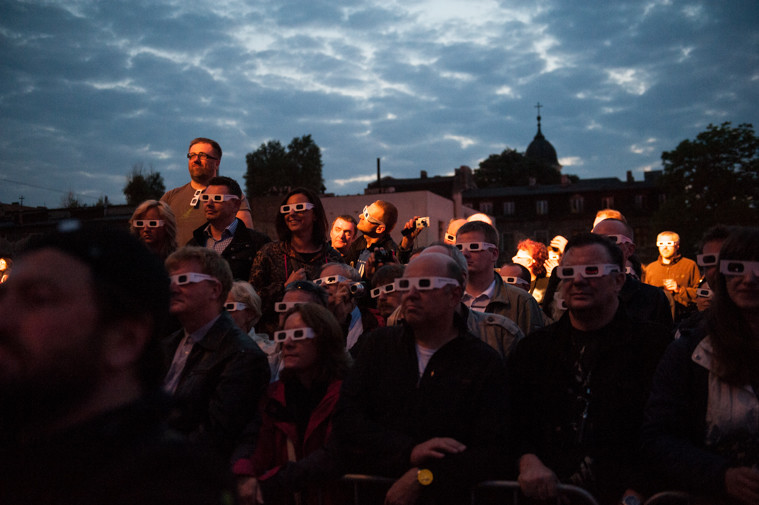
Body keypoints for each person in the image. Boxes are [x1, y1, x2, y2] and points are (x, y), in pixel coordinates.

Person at [0, 224, 232, 504]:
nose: (4, 319)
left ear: (123, 340)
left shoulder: (171, 486)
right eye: (4, 298)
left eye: (38, 299)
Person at [332, 252, 510, 505]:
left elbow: (491, 449)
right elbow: (347, 421)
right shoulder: (377, 347)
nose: (411, 294)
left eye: (424, 285)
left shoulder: (482, 362)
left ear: (455, 295)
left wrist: (425, 476)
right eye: (405, 285)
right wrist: (408, 452)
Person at [511, 233, 671, 505]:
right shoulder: (533, 351)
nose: (579, 280)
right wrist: (527, 460)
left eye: (592, 271)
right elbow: (510, 418)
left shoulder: (655, 347)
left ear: (619, 279)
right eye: (569, 271)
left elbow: (669, 428)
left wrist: (640, 487)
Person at [640, 227, 759, 505]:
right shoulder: (690, 351)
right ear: (721, 273)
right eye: (737, 267)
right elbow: (656, 437)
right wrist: (720, 476)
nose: (749, 279)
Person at [233, 303, 351, 505]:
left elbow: (333, 456)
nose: (287, 344)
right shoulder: (275, 396)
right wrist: (245, 474)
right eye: (283, 336)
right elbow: (257, 444)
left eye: (298, 335)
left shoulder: (347, 393)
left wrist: (272, 483)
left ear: (323, 339)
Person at [164, 246, 271, 461]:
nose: (173, 288)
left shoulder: (242, 355)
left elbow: (216, 436)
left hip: (191, 477)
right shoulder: (165, 346)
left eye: (184, 279)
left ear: (214, 290)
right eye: (170, 281)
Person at [250, 187, 343, 336]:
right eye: (287, 209)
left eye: (299, 208)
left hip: (319, 339)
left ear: (315, 215)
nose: (291, 213)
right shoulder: (269, 253)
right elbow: (252, 303)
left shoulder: (332, 258)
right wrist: (284, 287)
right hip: (275, 341)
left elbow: (342, 306)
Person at [456, 221, 545, 337]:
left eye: (474, 247)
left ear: (494, 254)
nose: (465, 254)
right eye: (459, 248)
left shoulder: (521, 302)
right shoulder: (448, 297)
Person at [161, 137, 254, 245]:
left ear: (217, 163)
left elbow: (246, 240)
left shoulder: (231, 197)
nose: (196, 160)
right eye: (192, 156)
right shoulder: (170, 197)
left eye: (202, 156)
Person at [592, 218, 673, 330]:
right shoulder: (579, 291)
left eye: (612, 240)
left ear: (629, 249)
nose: (602, 247)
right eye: (596, 241)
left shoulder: (652, 298)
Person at [187, 176, 270, 280]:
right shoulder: (193, 245)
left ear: (236, 204)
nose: (209, 204)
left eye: (217, 198)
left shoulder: (258, 244)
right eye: (205, 198)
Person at [316, 262, 382, 351]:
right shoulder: (313, 325)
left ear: (352, 286)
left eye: (331, 280)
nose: (323, 285)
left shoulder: (376, 322)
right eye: (319, 282)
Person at [226, 280, 280, 379]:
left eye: (229, 307)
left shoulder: (270, 354)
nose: (222, 314)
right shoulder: (204, 351)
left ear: (250, 313)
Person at [644, 230, 700, 323]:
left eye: (669, 243)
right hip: (657, 321)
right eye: (661, 243)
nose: (665, 247)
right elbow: (645, 297)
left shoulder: (690, 265)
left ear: (677, 246)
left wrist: (679, 290)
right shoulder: (650, 268)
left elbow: (700, 294)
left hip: (685, 319)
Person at [344, 199, 399, 280]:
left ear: (379, 229)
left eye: (367, 215)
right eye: (364, 210)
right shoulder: (357, 244)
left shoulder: (388, 254)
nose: (360, 216)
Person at [513, 238, 550, 303]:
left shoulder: (545, 285)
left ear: (530, 262)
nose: (513, 259)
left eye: (519, 257)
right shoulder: (511, 283)